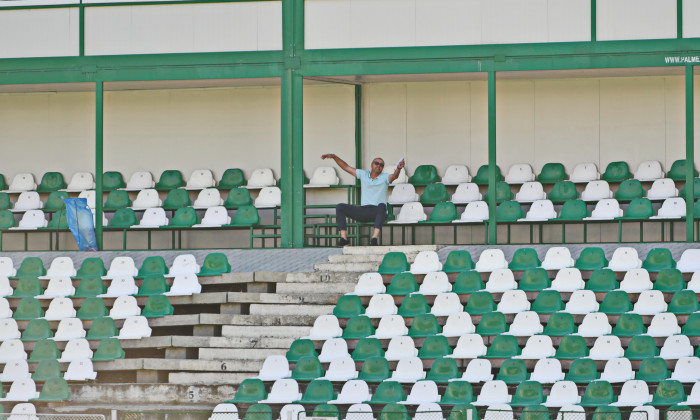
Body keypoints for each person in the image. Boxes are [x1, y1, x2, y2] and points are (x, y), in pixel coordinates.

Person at [321, 153, 405, 246]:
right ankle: (344, 239)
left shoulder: (385, 177)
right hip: (363, 211)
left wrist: (398, 168)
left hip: (377, 212)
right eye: (376, 163)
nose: (378, 166)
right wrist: (334, 157)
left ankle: (374, 238)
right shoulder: (363, 174)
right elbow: (346, 167)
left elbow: (394, 176)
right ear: (371, 165)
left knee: (382, 205)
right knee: (340, 207)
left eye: (381, 165)